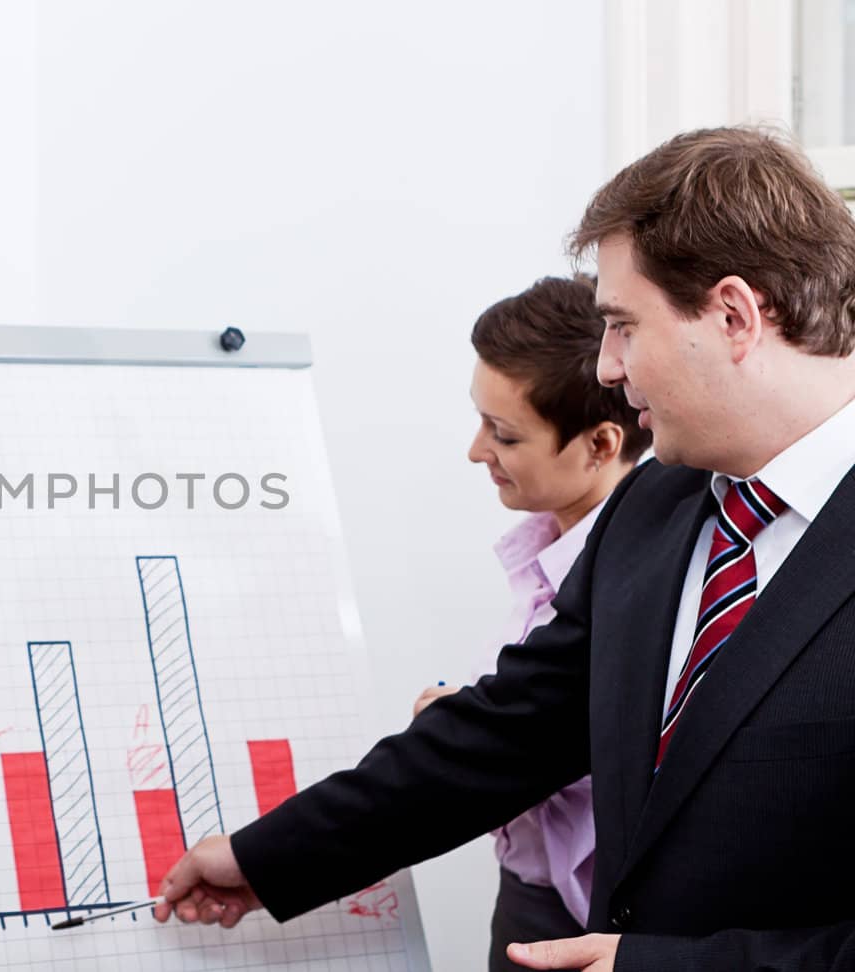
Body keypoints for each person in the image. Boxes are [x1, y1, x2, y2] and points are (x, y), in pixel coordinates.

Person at [155, 126, 855, 971]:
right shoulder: (654, 507)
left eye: (624, 327)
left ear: (735, 317)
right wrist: (268, 857)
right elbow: (505, 734)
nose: (605, 366)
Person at [409, 275, 648, 971]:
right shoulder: (542, 548)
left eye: (504, 434)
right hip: (527, 888)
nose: (476, 451)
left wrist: (484, 734)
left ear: (602, 444)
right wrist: (475, 722)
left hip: (594, 918)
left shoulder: (648, 580)